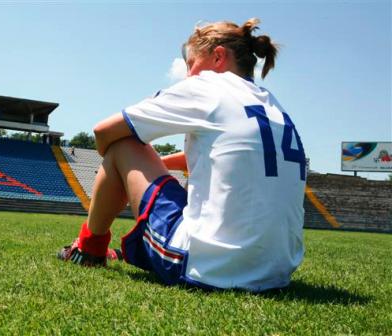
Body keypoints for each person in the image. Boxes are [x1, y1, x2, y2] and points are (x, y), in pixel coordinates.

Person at [58, 18, 307, 292]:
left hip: (210, 266)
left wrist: (115, 170)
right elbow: (228, 157)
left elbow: (103, 132)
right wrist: (155, 165)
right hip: (277, 271)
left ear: (218, 56)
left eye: (191, 65)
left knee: (123, 142)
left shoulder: (208, 87)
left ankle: (88, 249)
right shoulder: (273, 105)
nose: (188, 75)